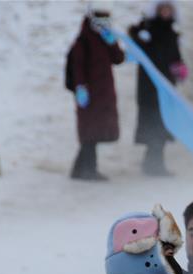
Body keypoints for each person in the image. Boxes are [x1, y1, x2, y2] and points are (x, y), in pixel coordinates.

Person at [129, 2, 187, 176]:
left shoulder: (171, 33)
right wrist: (137, 33)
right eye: (163, 9)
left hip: (167, 88)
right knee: (153, 126)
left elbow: (175, 57)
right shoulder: (148, 31)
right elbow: (135, 47)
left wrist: (179, 68)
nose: (166, 13)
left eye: (169, 9)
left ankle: (154, 163)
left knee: (162, 127)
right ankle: (153, 165)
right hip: (149, 90)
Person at [68, 10, 125, 181]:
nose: (102, 24)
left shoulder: (105, 40)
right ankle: (87, 171)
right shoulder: (82, 42)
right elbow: (77, 67)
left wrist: (112, 42)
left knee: (93, 134)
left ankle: (80, 170)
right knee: (89, 134)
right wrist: (80, 87)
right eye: (99, 20)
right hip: (89, 96)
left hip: (104, 95)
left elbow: (119, 58)